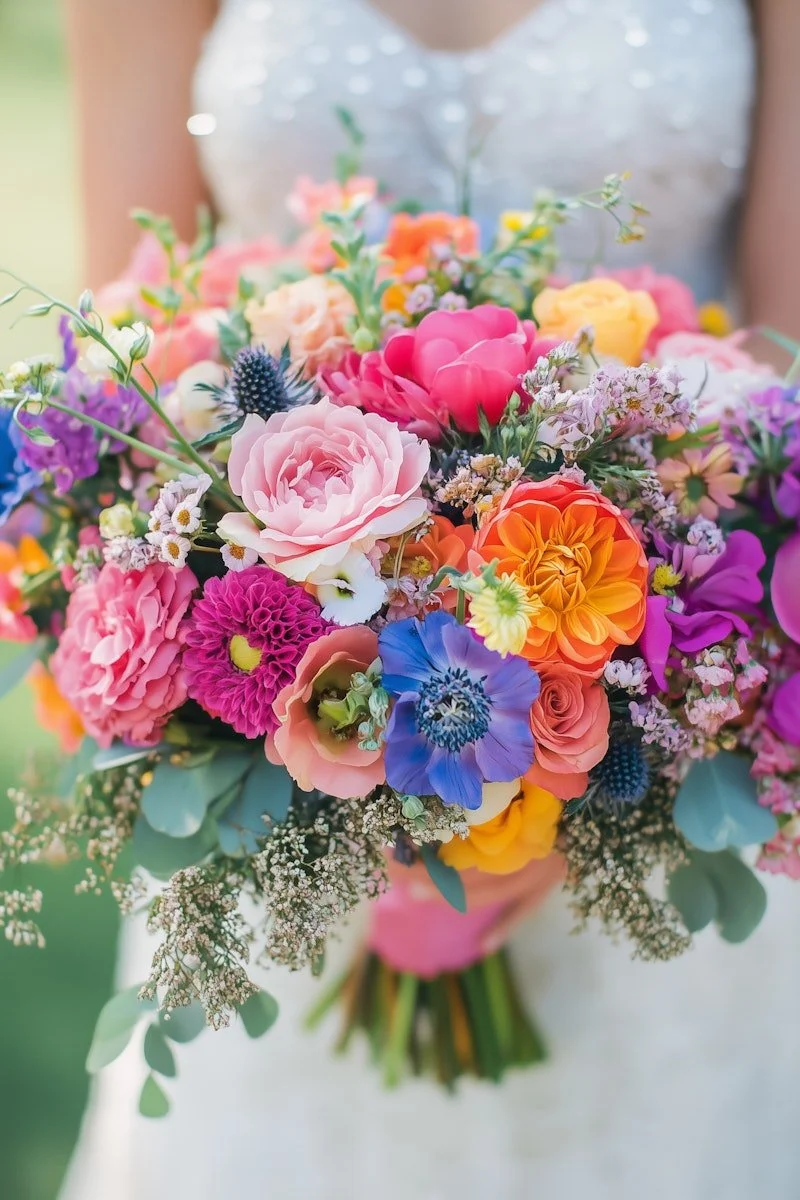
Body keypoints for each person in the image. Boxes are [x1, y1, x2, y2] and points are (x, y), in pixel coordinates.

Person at [61, 2, 800, 1198]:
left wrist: (592, 753)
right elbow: (133, 349)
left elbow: (784, 370)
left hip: (666, 714)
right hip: (279, 774)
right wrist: (313, 746)